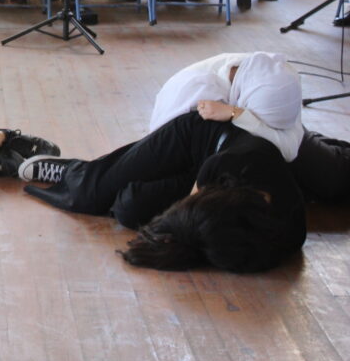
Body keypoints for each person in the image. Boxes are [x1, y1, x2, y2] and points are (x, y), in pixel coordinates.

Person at [18, 111, 306, 273]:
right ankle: (73, 170)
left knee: (128, 209)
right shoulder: (229, 165)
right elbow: (186, 215)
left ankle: (104, 176)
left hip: (210, 179)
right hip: (195, 138)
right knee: (90, 196)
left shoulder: (285, 236)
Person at [149, 51, 304, 162]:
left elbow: (289, 150)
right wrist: (242, 117)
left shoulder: (282, 78)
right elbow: (162, 149)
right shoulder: (196, 93)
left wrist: (236, 114)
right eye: (259, 121)